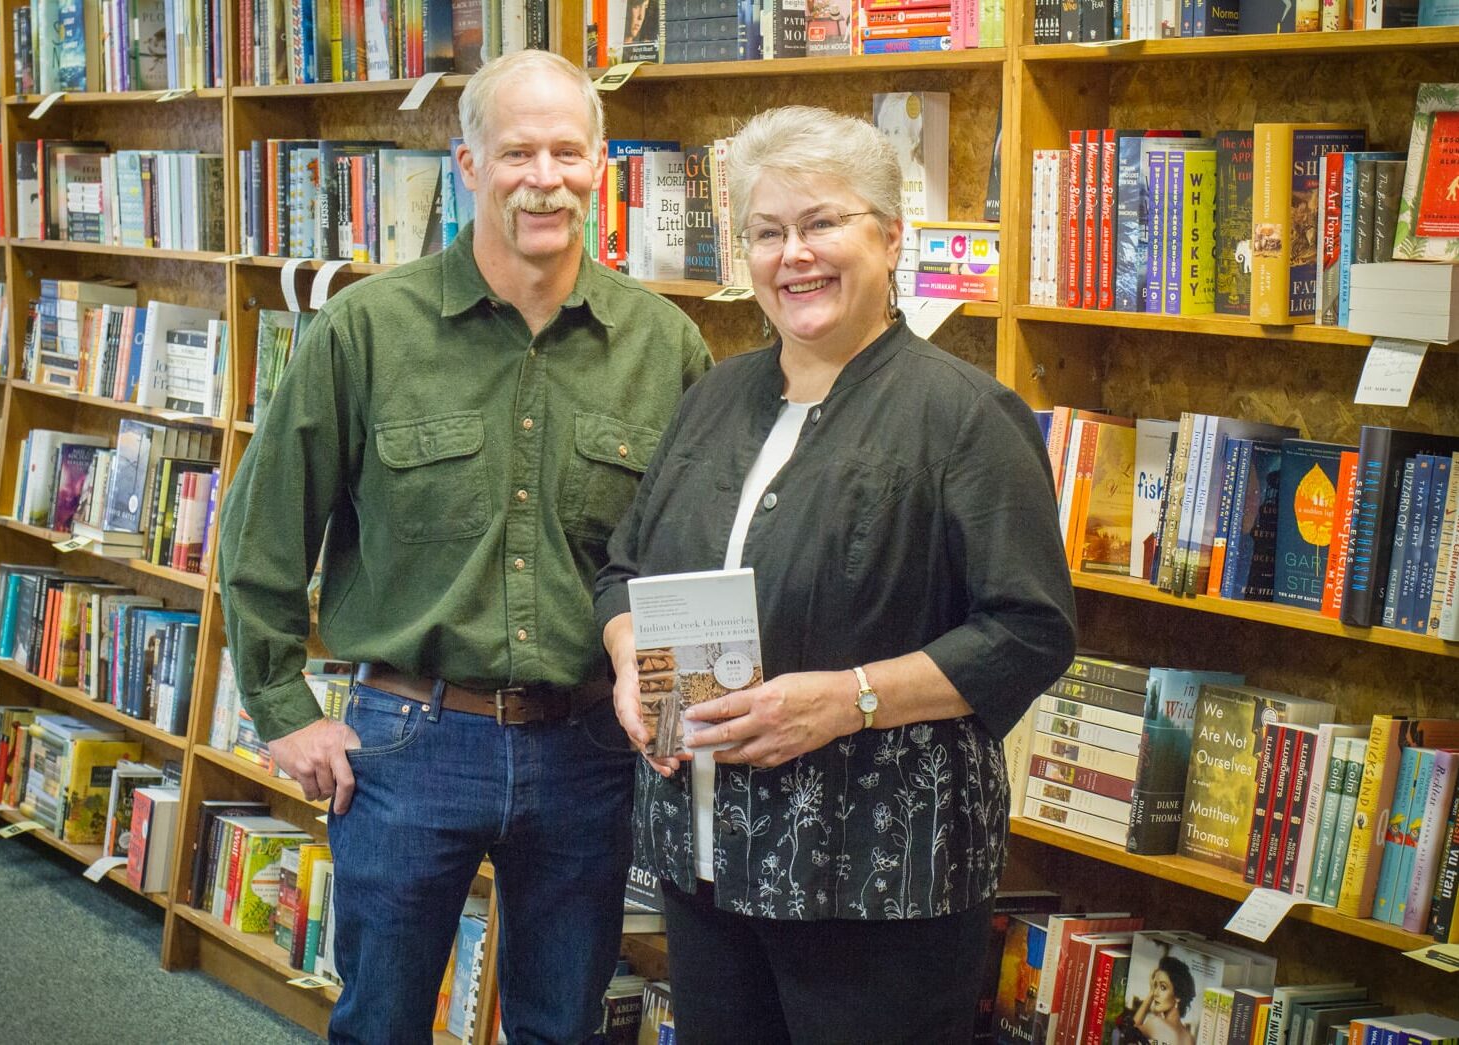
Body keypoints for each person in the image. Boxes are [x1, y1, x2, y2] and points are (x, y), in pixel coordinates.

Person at [218, 50, 713, 1045]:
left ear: (600, 166)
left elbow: (683, 557)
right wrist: (281, 708)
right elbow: (265, 526)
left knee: (560, 1026)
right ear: (469, 165)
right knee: (382, 1022)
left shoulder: (667, 349)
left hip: (588, 753)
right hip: (408, 743)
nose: (545, 176)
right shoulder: (366, 329)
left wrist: (682, 706)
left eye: (568, 153)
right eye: (517, 151)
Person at [594, 105, 1077, 1044]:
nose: (794, 255)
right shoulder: (714, 397)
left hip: (875, 879)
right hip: (705, 856)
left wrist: (849, 699)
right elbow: (624, 567)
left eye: (822, 223)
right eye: (768, 232)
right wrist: (627, 660)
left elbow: (1029, 628)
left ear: (892, 237)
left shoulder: (966, 417)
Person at [1132, 956, 1197, 1045]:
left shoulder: (1156, 1024)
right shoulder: (1189, 1039)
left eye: (1163, 987)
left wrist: (1150, 994)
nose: (1155, 993)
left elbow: (1130, 1033)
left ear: (1178, 995)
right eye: (1155, 986)